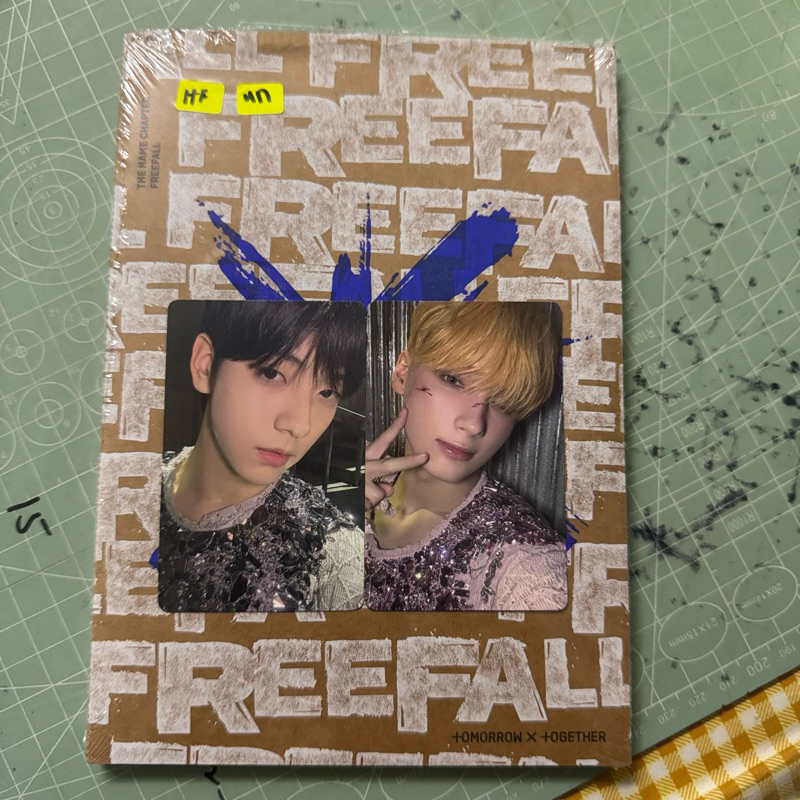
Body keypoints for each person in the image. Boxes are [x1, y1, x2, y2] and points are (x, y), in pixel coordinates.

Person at [158, 300, 366, 613]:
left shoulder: (336, 554)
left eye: (327, 392)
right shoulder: (132, 485)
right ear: (206, 365)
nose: (299, 424)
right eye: (272, 373)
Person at [364, 302, 567, 611]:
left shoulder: (527, 562)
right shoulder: (340, 484)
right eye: (453, 379)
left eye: (504, 402)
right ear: (402, 372)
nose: (474, 424)